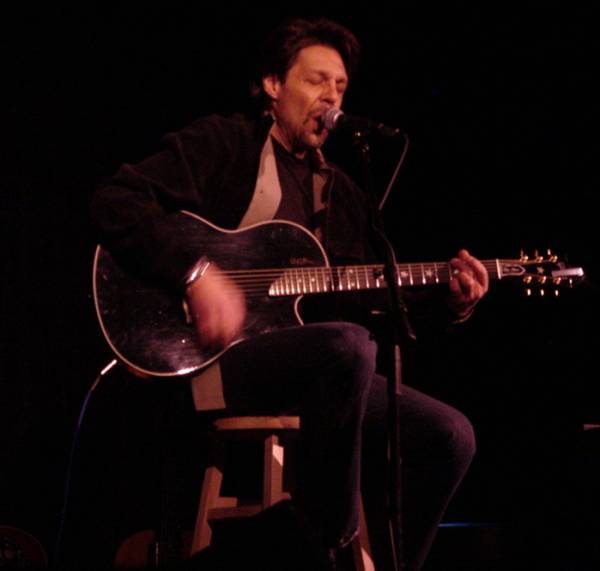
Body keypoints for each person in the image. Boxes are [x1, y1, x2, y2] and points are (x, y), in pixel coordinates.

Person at [91, 17, 488, 571]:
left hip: (317, 371)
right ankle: (325, 542)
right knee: (347, 345)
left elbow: (364, 305)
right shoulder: (224, 143)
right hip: (211, 363)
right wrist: (196, 273)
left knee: (449, 434)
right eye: (316, 81)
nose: (330, 98)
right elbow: (116, 201)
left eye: (341, 88)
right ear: (273, 85)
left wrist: (449, 303)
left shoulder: (341, 191)